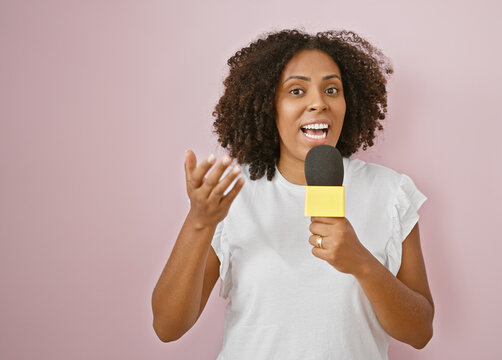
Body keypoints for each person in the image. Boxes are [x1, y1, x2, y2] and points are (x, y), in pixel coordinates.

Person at [152, 29, 435, 359]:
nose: (318, 103)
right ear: (267, 105)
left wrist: (362, 264)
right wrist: (199, 223)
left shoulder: (390, 192)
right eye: (296, 91)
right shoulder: (232, 193)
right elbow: (167, 326)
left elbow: (419, 333)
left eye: (332, 89)